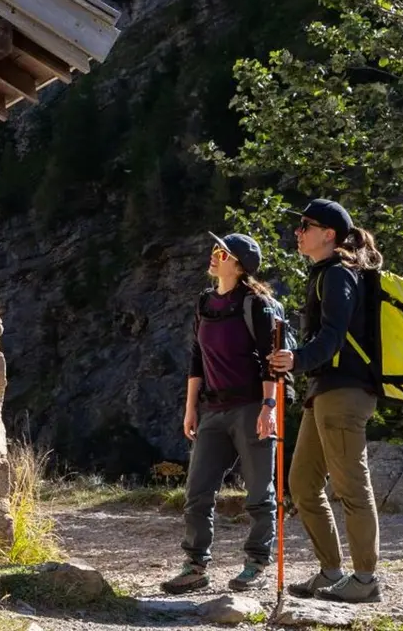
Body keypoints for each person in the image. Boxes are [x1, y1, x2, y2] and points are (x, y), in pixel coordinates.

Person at [268, 198, 384, 603]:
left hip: (345, 392)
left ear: (328, 234)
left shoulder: (338, 275)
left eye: (305, 225)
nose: (298, 232)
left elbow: (333, 337)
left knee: (352, 487)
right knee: (301, 484)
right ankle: (332, 572)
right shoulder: (324, 274)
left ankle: (366, 581)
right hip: (325, 392)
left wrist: (296, 359)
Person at [161, 232, 286, 595]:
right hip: (212, 410)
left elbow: (271, 363)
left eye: (222, 253)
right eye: (215, 250)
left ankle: (256, 563)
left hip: (251, 408)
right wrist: (190, 409)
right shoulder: (205, 303)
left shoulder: (257, 305)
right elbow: (196, 359)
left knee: (259, 494)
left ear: (238, 264)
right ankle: (195, 566)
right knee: (197, 493)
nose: (213, 256)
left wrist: (270, 408)